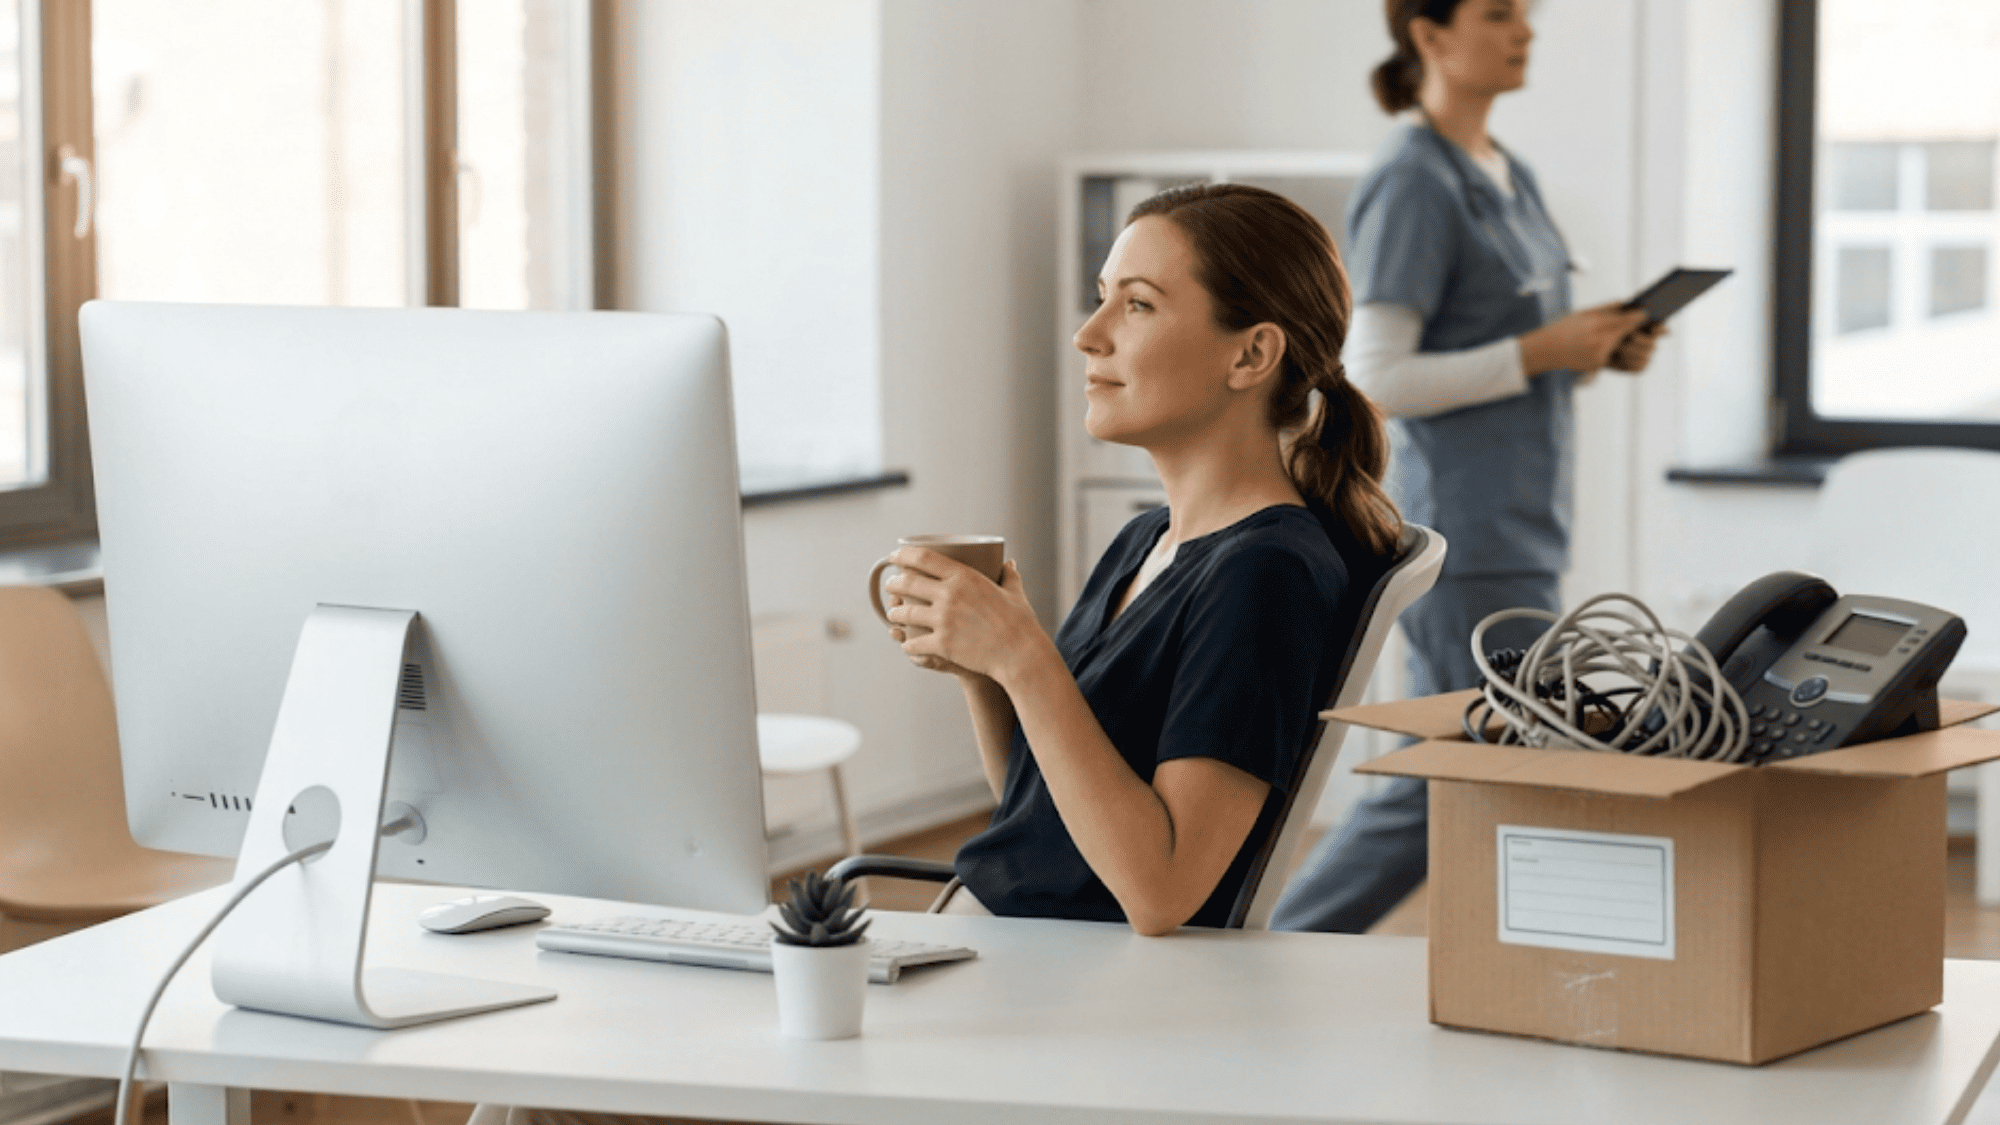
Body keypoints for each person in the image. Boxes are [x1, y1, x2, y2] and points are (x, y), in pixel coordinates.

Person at [881, 183, 1402, 935]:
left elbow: (1163, 891)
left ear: (1251, 354)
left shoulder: (1266, 576)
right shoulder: (1146, 540)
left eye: (1138, 304)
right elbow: (1046, 816)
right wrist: (985, 670)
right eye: (1102, 299)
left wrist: (1025, 658)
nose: (1087, 335)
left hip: (1054, 972)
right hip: (1002, 936)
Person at [1269, 0, 1663, 934]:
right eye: (1497, 14)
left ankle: (1541, 961)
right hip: (1467, 532)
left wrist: (1589, 352)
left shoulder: (1508, 174)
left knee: (1494, 761)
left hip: (1521, 525)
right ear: (1429, 36)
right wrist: (1543, 350)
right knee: (1458, 768)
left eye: (1526, 15)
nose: (1525, 32)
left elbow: (1509, 347)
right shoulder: (1413, 181)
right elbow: (1375, 376)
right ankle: (1276, 945)